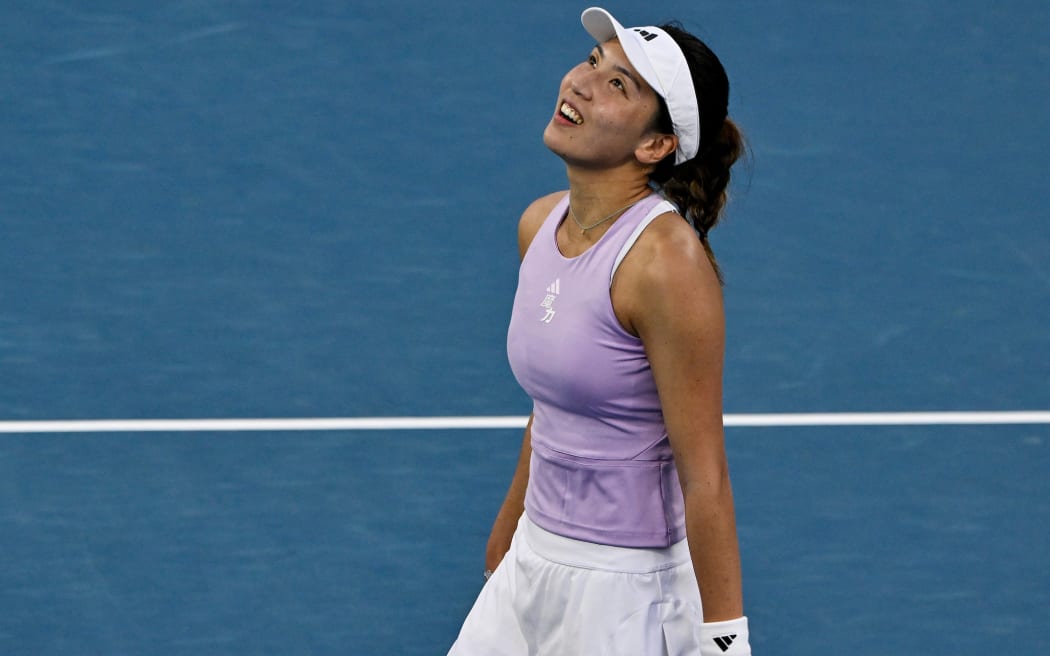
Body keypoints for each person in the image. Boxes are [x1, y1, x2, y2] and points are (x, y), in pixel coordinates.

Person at [448, 7, 751, 655]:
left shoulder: (664, 265)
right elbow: (552, 406)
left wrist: (726, 642)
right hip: (535, 556)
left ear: (655, 145)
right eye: (593, 64)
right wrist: (512, 528)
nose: (580, 84)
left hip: (624, 590)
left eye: (619, 86)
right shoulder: (539, 224)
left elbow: (706, 477)